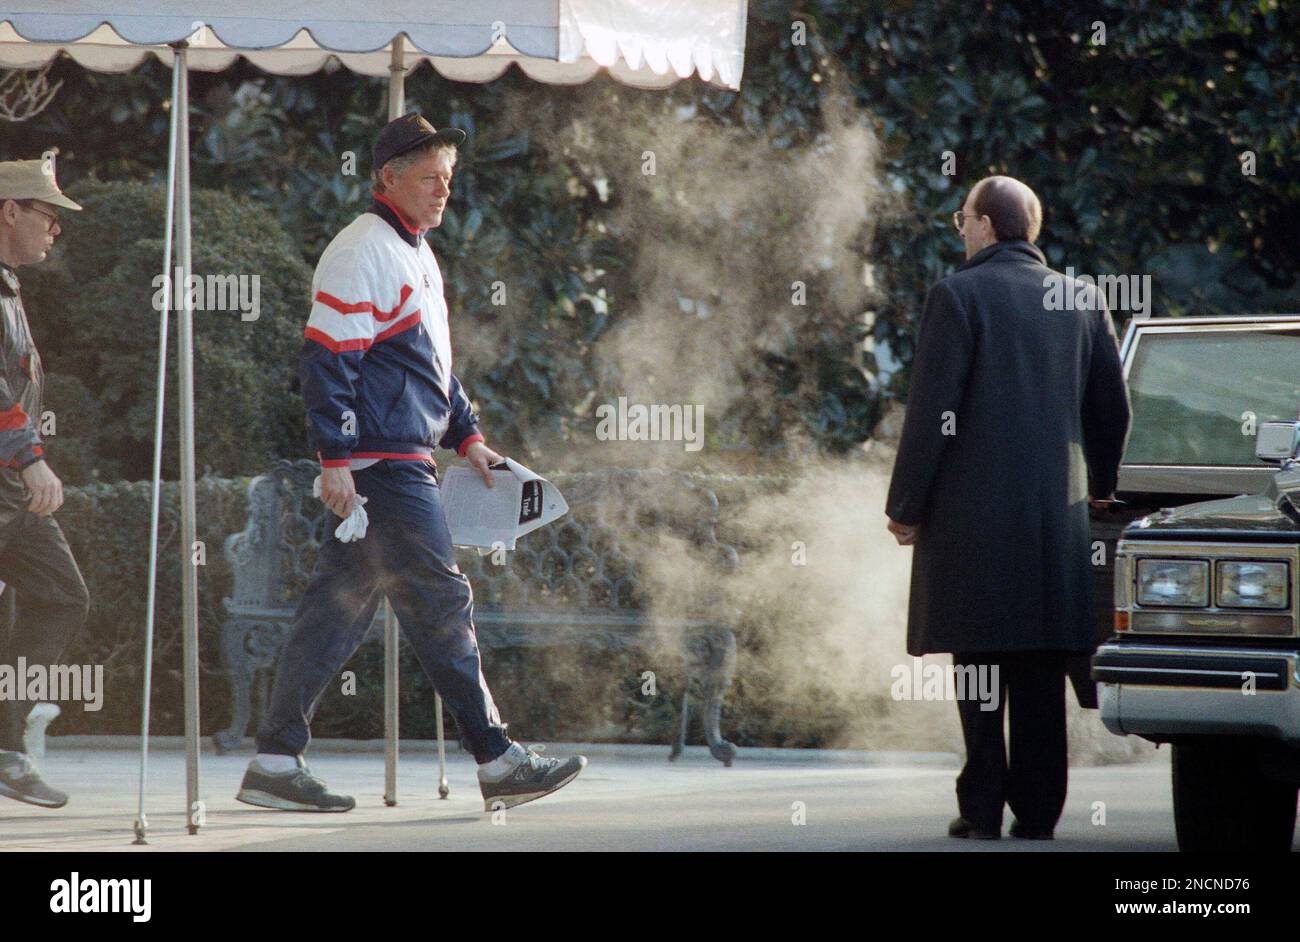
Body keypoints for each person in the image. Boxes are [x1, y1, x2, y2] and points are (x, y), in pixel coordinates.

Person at [237, 113, 585, 813]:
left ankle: (274, 761)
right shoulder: (363, 248)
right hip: (383, 467)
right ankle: (497, 758)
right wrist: (334, 459)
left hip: (391, 460)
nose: (442, 191)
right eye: (429, 178)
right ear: (387, 178)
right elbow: (326, 361)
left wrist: (469, 436)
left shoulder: (414, 251)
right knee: (441, 600)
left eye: (449, 179)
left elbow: (430, 367)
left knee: (335, 612)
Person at [884, 176, 1130, 841]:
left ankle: (983, 806)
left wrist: (906, 504)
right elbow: (1111, 409)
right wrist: (1101, 485)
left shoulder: (958, 295)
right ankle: (1041, 812)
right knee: (1043, 668)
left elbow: (934, 414)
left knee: (983, 666)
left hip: (974, 522)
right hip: (1058, 522)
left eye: (963, 219)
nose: (960, 230)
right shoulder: (1082, 299)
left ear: (988, 227)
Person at [0, 157, 92, 809]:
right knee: (59, 596)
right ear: (9, 210)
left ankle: (5, 748)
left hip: (8, 487)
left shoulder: (7, 286)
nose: (55, 231)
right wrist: (28, 453)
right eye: (47, 216)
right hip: (9, 477)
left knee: (58, 596)